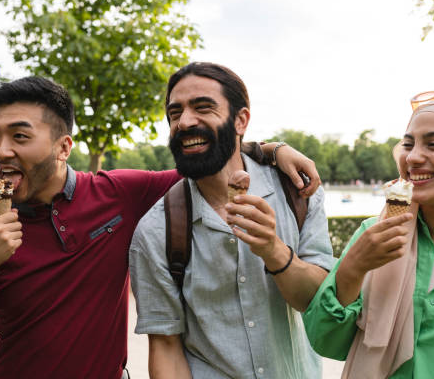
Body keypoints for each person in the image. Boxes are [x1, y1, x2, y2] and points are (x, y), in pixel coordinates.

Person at [0, 75, 321, 379]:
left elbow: (204, 160)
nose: (2, 151)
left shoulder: (119, 194)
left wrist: (271, 149)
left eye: (19, 136)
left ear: (63, 147)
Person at [129, 62, 334, 378]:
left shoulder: (297, 193)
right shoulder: (156, 230)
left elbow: (319, 304)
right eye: (174, 113)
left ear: (241, 120)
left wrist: (273, 250)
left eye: (203, 107)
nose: (184, 122)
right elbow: (165, 347)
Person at [303, 92, 434, 378]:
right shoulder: (374, 234)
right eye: (408, 144)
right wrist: (353, 269)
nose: (414, 157)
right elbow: (326, 341)